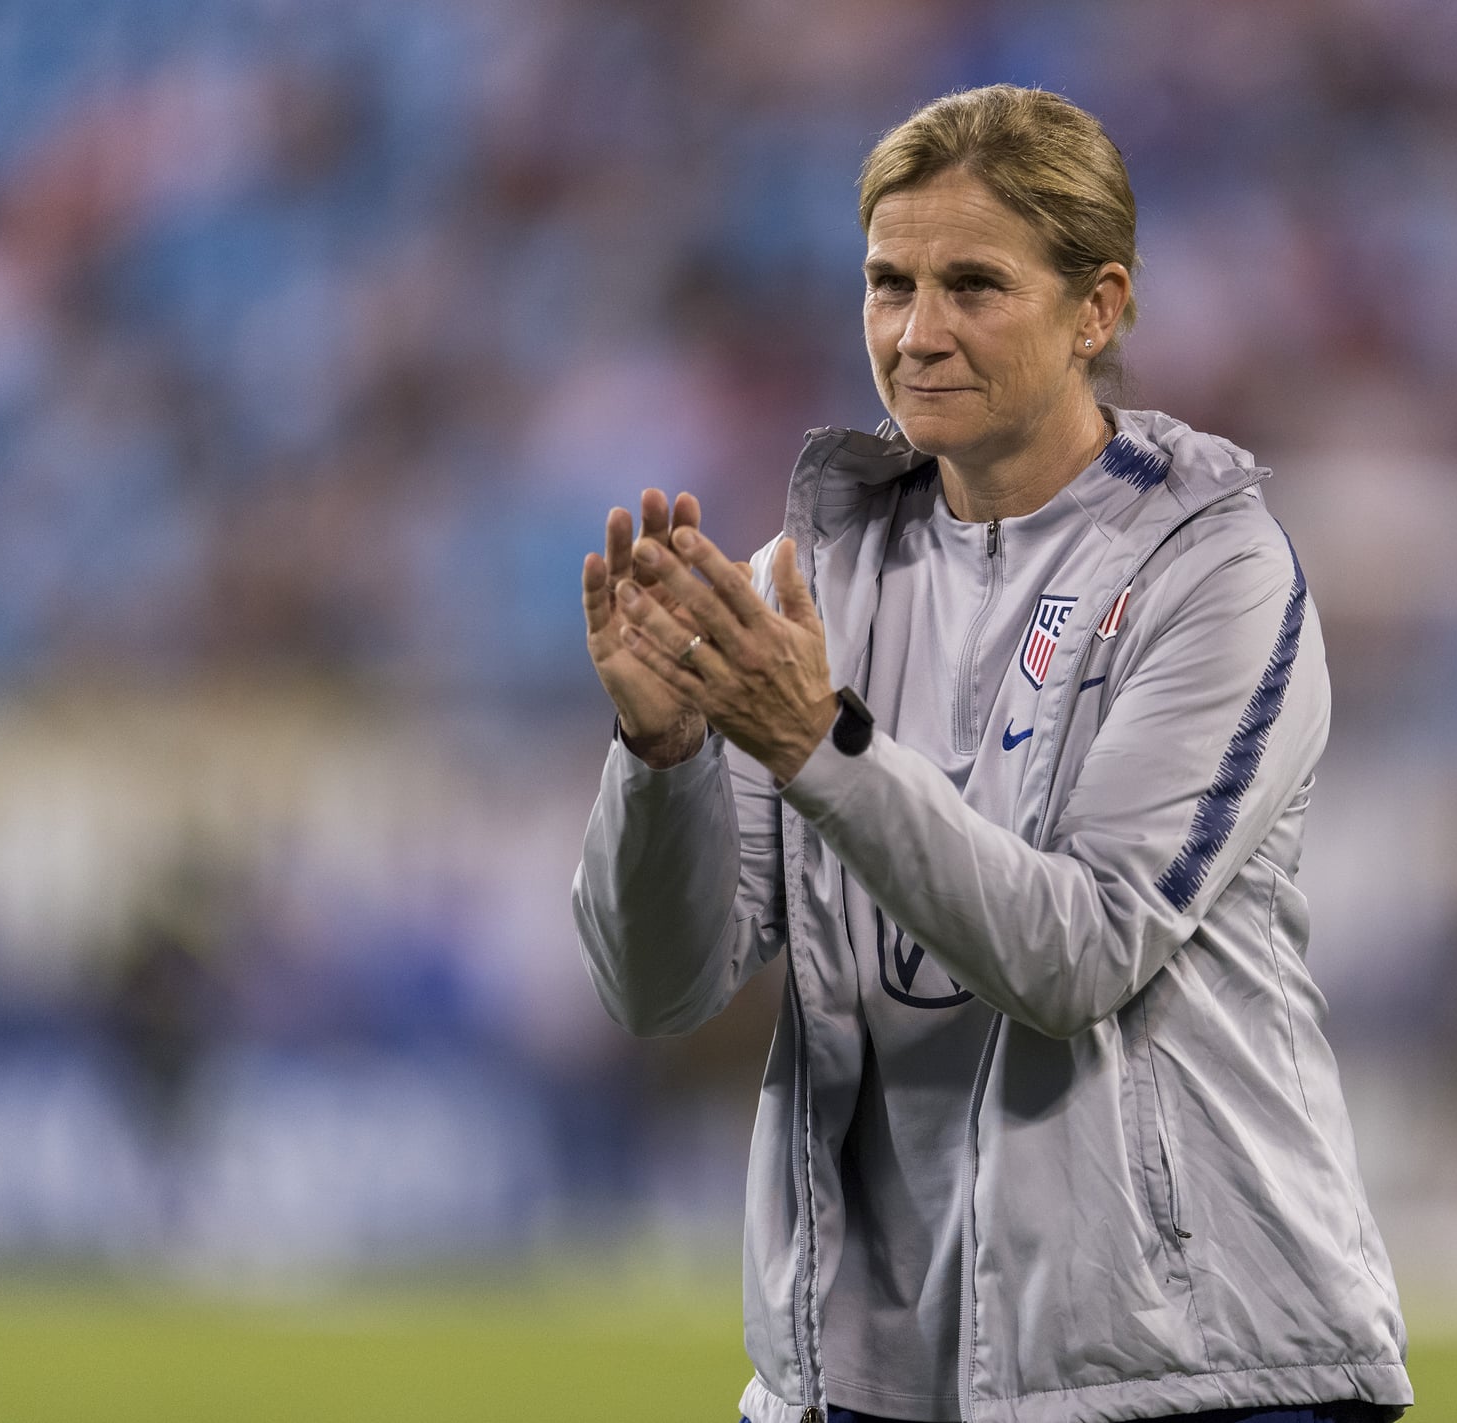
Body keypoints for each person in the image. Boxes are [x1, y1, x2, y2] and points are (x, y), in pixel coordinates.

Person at [573, 85, 1410, 1423]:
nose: (917, 332)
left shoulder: (1215, 571)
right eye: (887, 282)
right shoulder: (806, 583)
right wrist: (658, 761)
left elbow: (1078, 958)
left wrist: (817, 745)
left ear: (1098, 308)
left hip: (1193, 1368)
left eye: (974, 284)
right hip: (862, 1379)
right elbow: (659, 988)